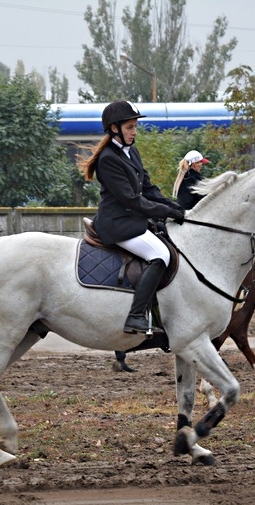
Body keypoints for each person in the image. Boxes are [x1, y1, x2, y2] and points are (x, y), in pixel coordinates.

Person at [78, 100, 185, 335]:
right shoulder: (108, 159)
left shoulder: (131, 151)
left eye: (135, 126)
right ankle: (136, 315)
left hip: (132, 220)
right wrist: (166, 212)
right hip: (117, 224)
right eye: (129, 127)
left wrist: (174, 206)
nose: (134, 132)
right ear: (114, 128)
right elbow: (131, 200)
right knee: (160, 255)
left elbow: (148, 187)